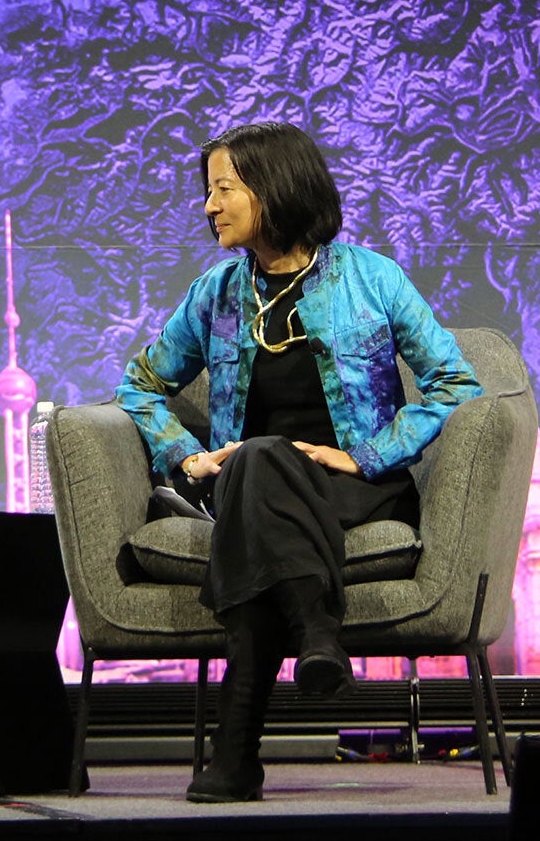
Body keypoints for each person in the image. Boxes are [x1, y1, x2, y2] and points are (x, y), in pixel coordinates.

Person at [115, 122, 482, 803]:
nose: (208, 206)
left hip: (352, 487)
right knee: (256, 463)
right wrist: (188, 460)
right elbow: (139, 385)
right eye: (209, 191)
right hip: (248, 484)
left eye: (223, 189)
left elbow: (457, 383)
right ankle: (317, 630)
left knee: (257, 486)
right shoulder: (216, 294)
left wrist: (365, 454)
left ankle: (236, 754)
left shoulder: (372, 279)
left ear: (273, 189)